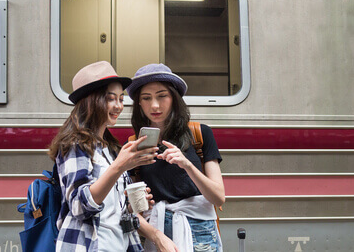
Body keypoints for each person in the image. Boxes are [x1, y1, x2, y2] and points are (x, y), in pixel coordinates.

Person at [48, 61, 158, 252]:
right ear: (92, 100)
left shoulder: (111, 148)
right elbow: (79, 207)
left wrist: (132, 206)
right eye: (110, 99)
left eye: (121, 99)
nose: (118, 106)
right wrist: (119, 167)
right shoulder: (75, 144)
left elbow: (112, 211)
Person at [127, 63, 225, 252]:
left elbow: (218, 198)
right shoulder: (133, 145)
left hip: (202, 232)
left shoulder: (199, 134)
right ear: (139, 103)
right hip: (158, 233)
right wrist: (157, 237)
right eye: (146, 98)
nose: (154, 105)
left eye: (162, 96)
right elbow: (132, 209)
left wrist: (186, 164)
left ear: (174, 98)